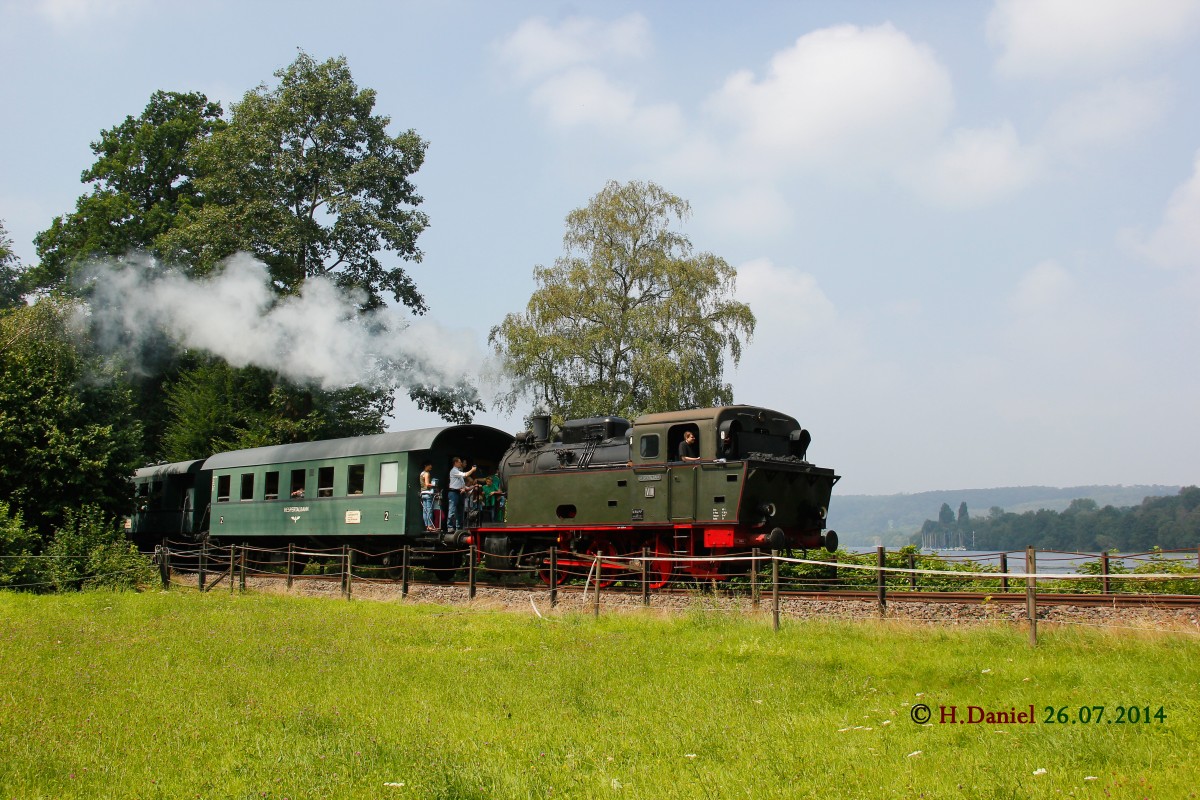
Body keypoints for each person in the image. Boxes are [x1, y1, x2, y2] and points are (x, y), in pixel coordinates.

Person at [446, 456, 477, 531]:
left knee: (460, 511)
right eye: (459, 462)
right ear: (455, 462)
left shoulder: (458, 471)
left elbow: (463, 486)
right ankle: (450, 527)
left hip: (460, 493)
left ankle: (459, 527)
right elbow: (465, 475)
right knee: (452, 510)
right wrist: (472, 470)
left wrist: (473, 486)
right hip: (454, 493)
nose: (460, 463)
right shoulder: (454, 470)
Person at [419, 461, 436, 532]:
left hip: (423, 493)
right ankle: (430, 526)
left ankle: (427, 526)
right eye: (430, 465)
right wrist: (434, 484)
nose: (431, 467)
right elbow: (427, 484)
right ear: (426, 465)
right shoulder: (426, 473)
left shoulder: (421, 473)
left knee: (425, 511)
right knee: (429, 510)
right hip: (428, 493)